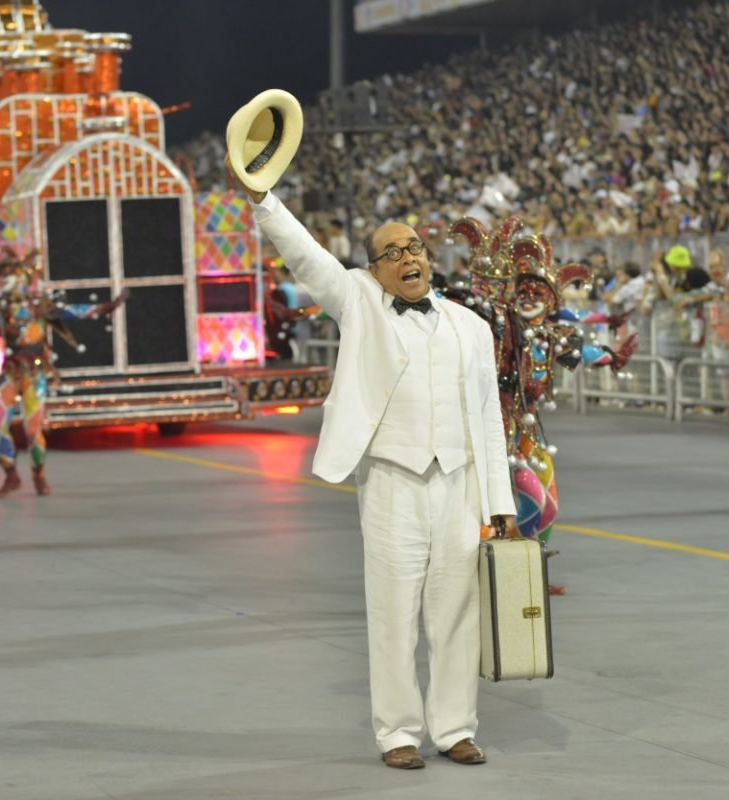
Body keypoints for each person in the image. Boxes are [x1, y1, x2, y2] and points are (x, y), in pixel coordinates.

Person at [225, 149, 517, 770]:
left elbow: (490, 422)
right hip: (391, 482)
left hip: (461, 486)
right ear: (372, 269)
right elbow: (308, 259)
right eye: (391, 253)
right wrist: (261, 199)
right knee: (393, 613)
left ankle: (456, 727)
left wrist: (500, 503)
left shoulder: (471, 327)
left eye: (414, 248)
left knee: (457, 614)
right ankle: (398, 734)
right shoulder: (357, 303)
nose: (407, 258)